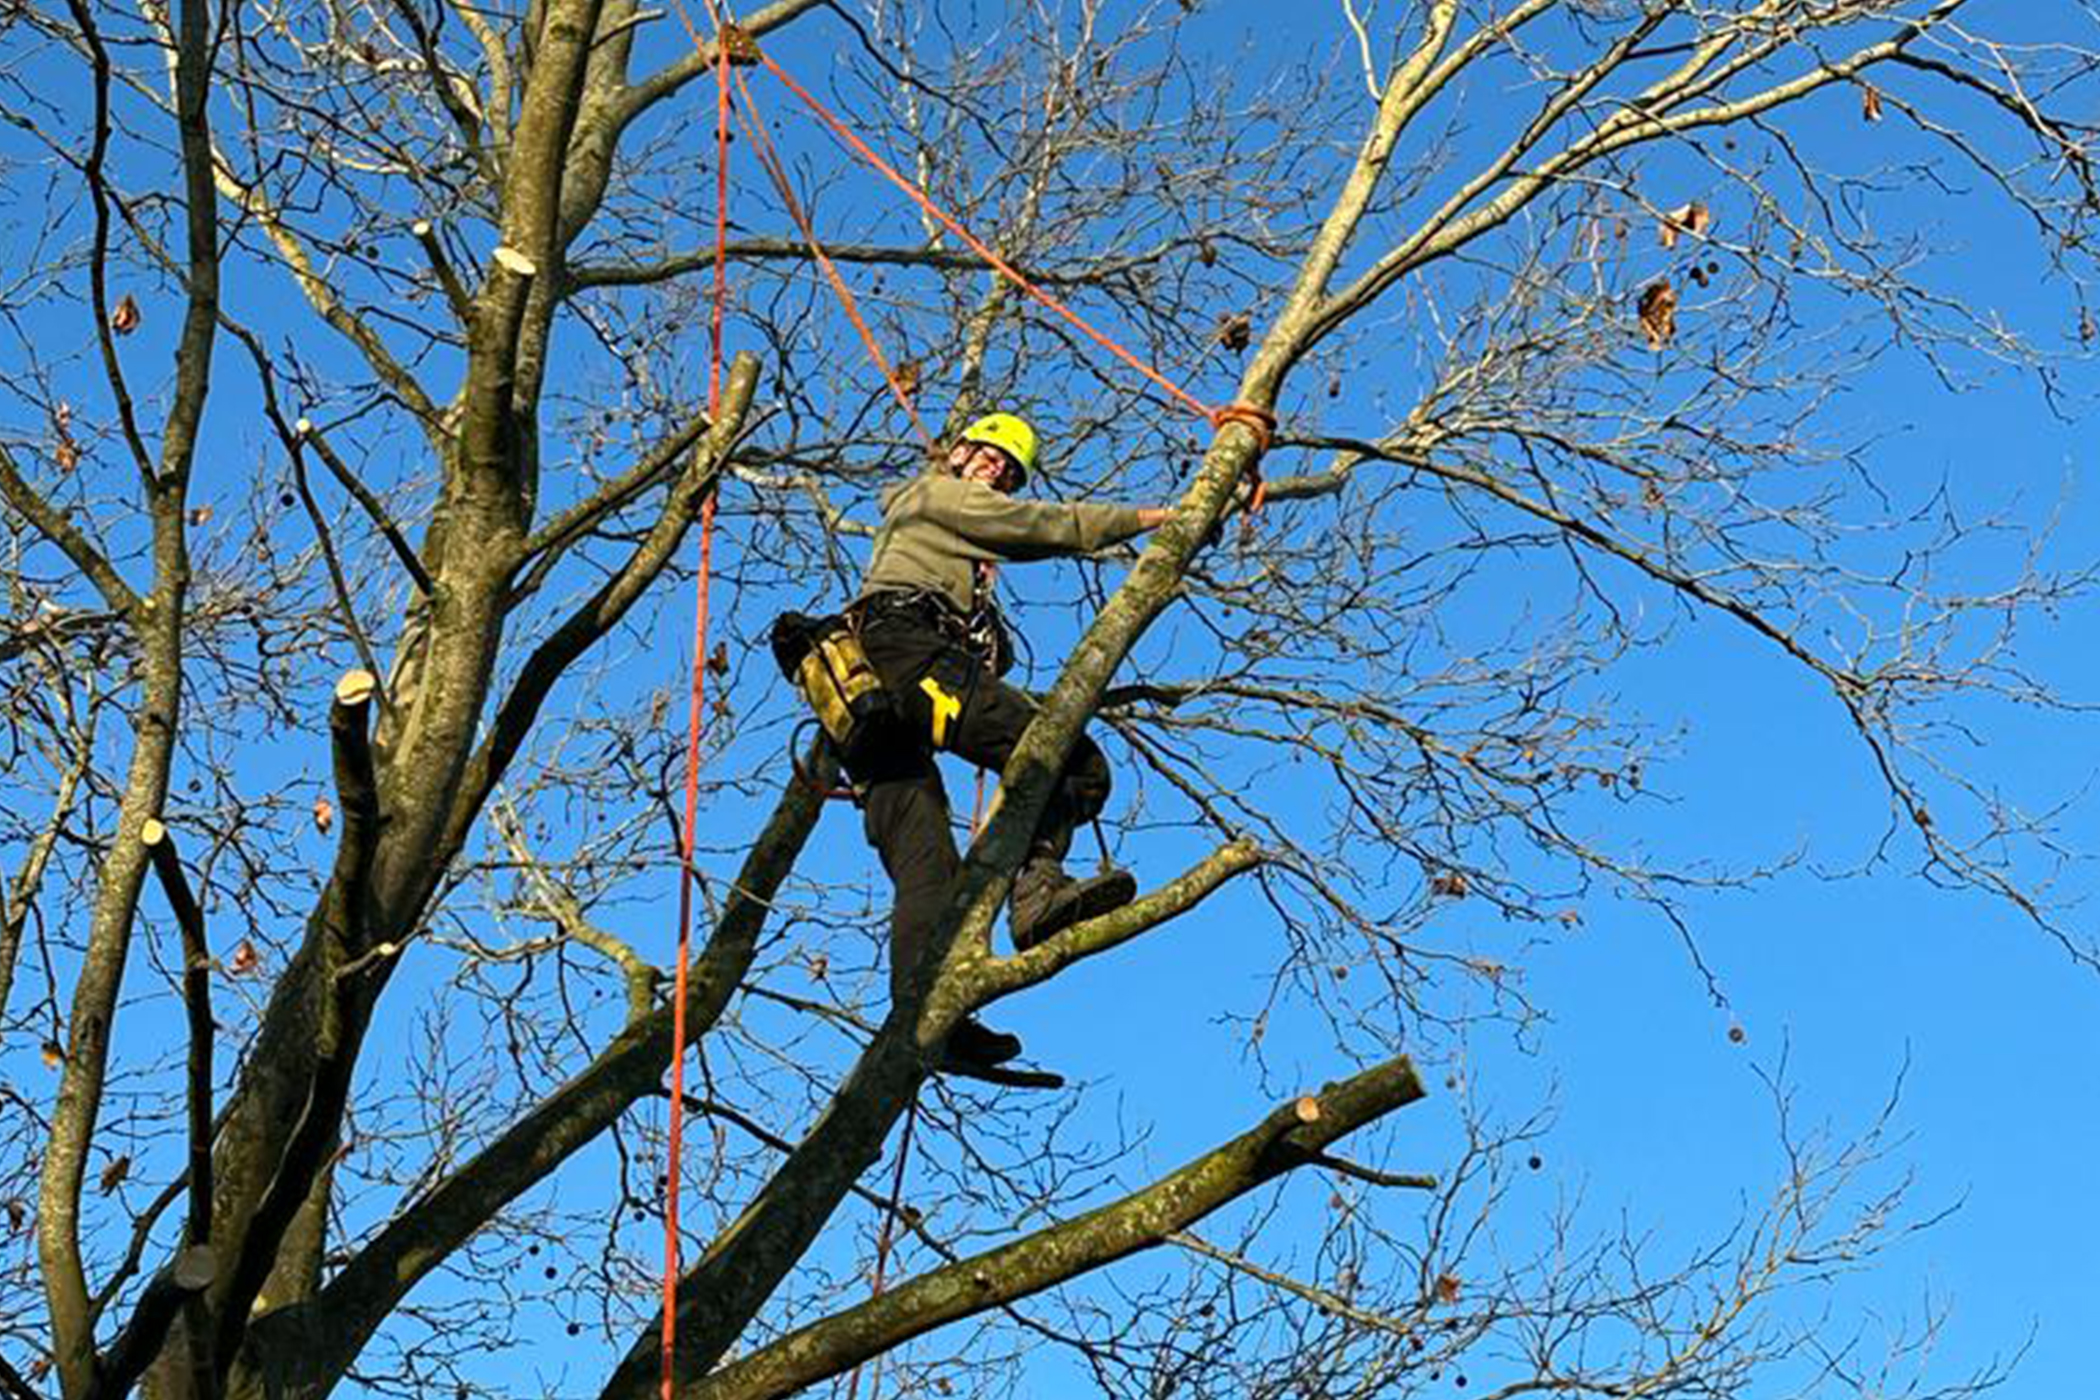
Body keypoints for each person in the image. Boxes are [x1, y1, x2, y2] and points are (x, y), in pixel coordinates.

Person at [847, 412, 1171, 1070]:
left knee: (927, 869)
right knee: (1072, 763)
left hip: (868, 698)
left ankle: (927, 1019)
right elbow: (1038, 527)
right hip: (905, 655)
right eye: (990, 457)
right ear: (959, 453)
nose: (997, 473)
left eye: (1009, 470)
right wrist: (1151, 520)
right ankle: (1037, 895)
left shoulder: (927, 535)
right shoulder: (936, 495)